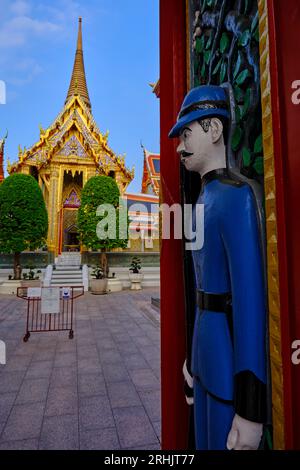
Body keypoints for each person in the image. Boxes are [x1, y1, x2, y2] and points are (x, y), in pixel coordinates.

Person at [169, 85, 267, 450]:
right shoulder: (200, 201)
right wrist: (190, 363)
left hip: (228, 365)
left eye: (187, 133)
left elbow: (249, 305)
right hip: (203, 359)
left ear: (214, 130)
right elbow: (197, 292)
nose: (179, 147)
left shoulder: (236, 197)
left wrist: (251, 409)